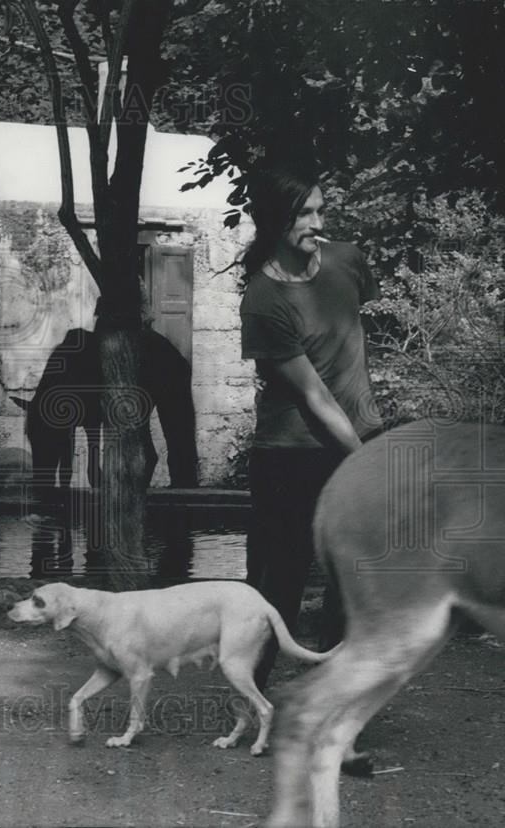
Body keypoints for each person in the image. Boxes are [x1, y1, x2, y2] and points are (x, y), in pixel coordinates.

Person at [239, 166, 382, 690]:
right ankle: (252, 697)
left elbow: (352, 330)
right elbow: (315, 396)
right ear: (275, 221)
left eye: (321, 210)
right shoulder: (262, 301)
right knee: (281, 583)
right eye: (305, 213)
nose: (318, 222)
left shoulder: (346, 260)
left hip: (357, 438)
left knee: (351, 578)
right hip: (291, 455)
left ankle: (333, 701)